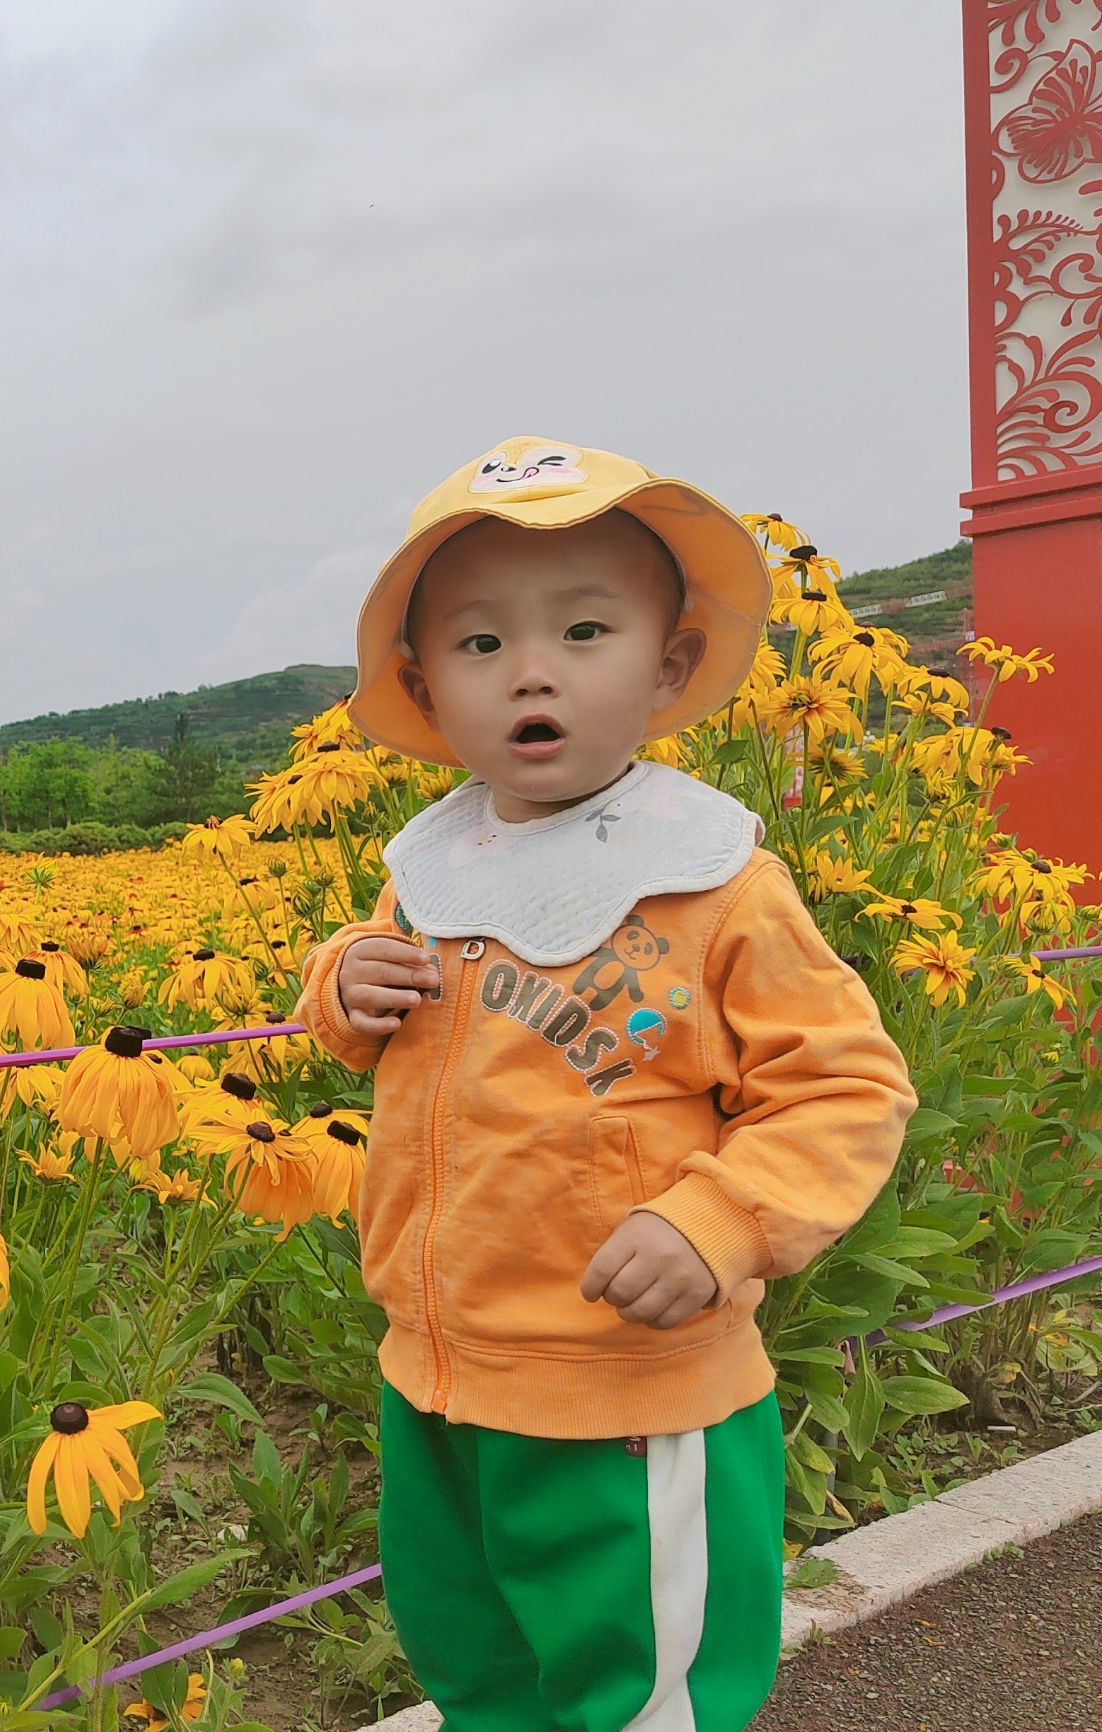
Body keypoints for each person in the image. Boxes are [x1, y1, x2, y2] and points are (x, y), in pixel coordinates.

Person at [294, 436, 913, 1732]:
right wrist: (345, 980)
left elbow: (845, 1087)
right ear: (419, 683)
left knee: (636, 1694)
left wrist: (715, 1219)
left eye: (583, 630)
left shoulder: (715, 885)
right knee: (478, 1669)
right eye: (477, 645)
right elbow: (393, 1019)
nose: (529, 670)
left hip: (624, 1395)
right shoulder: (436, 868)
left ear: (670, 663)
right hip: (439, 1376)